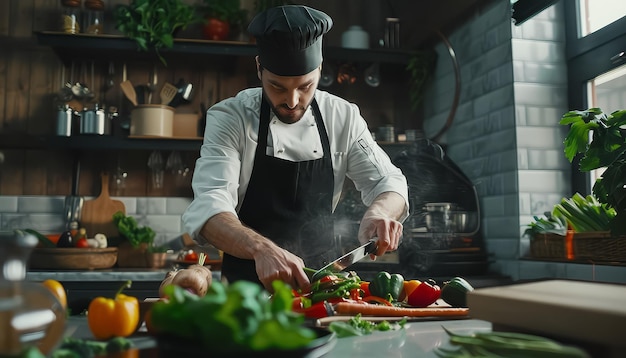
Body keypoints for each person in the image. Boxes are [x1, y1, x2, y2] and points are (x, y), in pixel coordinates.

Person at [182, 5, 409, 292]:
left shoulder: (343, 117)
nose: (291, 100)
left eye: (305, 86)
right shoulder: (231, 118)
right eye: (277, 87)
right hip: (246, 296)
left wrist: (381, 212)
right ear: (259, 69)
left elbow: (388, 181)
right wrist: (261, 248)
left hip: (322, 290)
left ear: (320, 69)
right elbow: (209, 206)